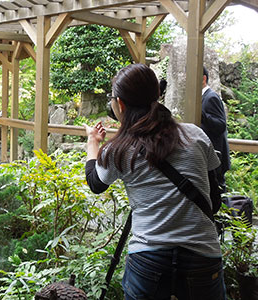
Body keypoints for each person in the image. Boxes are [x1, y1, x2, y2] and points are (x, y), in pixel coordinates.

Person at [84, 64, 226, 300]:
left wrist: (92, 142)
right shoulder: (195, 135)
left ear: (120, 104)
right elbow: (214, 200)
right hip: (203, 256)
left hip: (148, 259)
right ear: (157, 96)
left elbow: (95, 183)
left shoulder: (118, 150)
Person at [201, 66, 231, 193]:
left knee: (217, 194)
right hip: (209, 159)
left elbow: (221, 125)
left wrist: (203, 115)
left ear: (203, 79)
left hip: (216, 159)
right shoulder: (203, 97)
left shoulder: (211, 97)